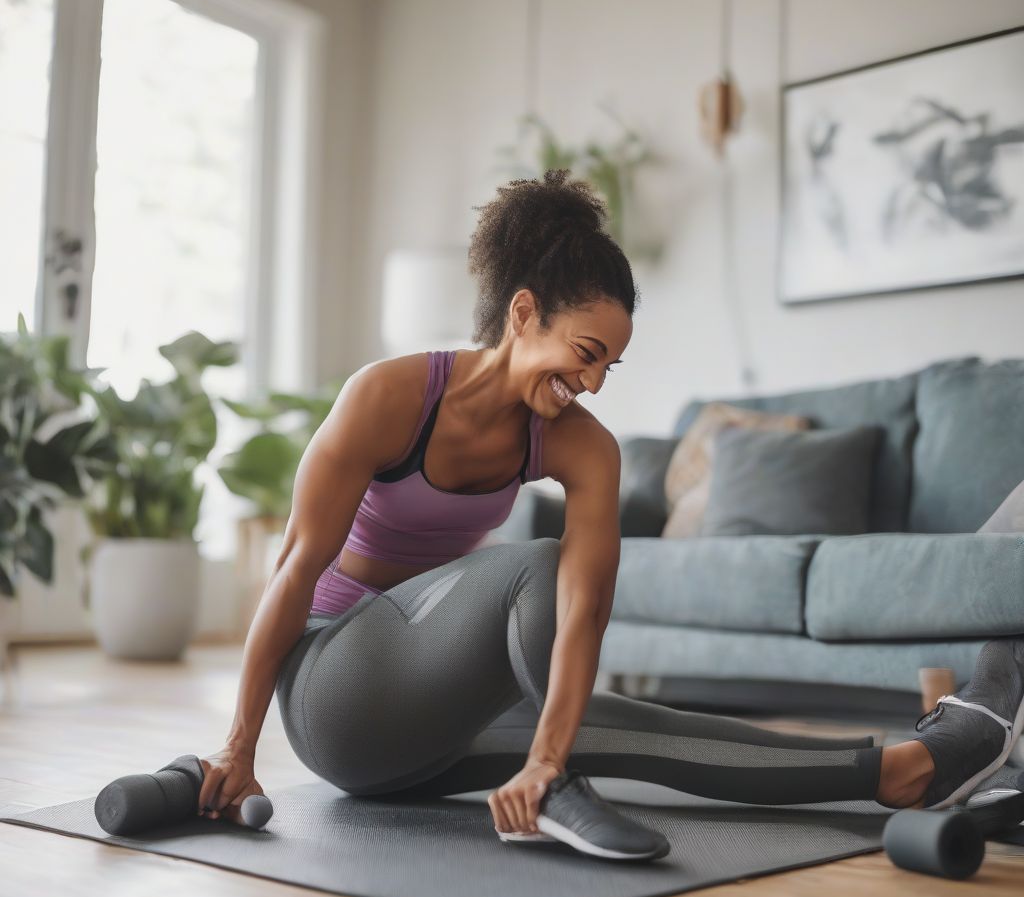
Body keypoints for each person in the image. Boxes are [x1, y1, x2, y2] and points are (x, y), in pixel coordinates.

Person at [195, 169, 1024, 859]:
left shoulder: (582, 446)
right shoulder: (386, 397)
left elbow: (584, 613)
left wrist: (548, 748)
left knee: (627, 724)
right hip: (336, 691)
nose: (592, 384)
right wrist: (238, 746)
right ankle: (555, 782)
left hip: (421, 723)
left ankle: (897, 771)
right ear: (524, 315)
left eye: (609, 366)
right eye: (585, 355)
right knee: (535, 563)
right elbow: (295, 571)